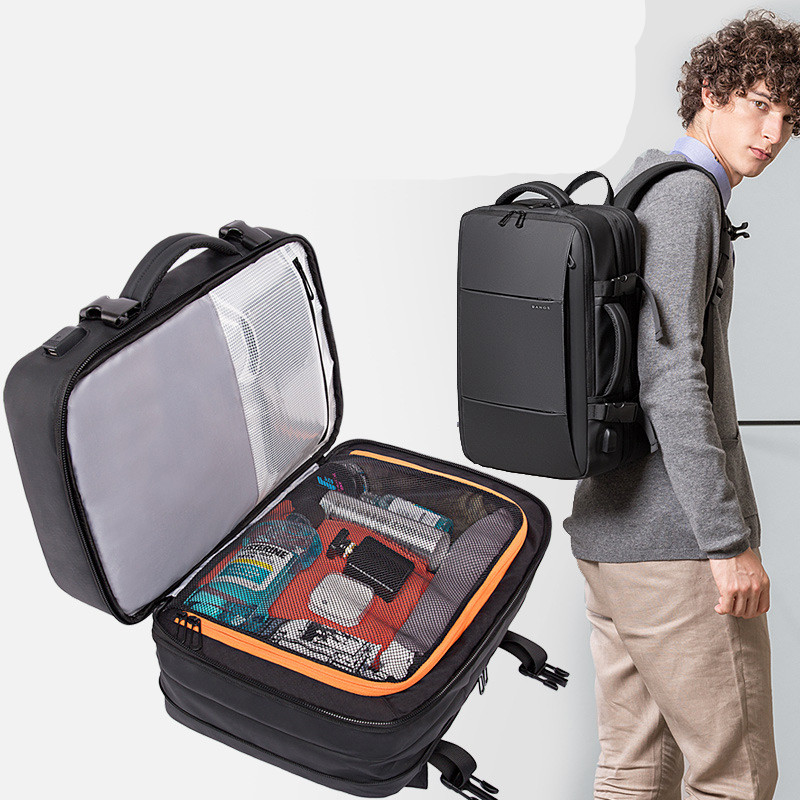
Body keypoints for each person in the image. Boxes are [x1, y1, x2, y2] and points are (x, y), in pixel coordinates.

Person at [563, 9, 799, 800]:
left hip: (612, 537)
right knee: (736, 779)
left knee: (636, 769)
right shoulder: (689, 197)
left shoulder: (644, 180)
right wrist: (727, 542)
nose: (773, 133)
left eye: (789, 117)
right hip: (676, 548)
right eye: (759, 104)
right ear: (709, 92)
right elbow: (671, 375)